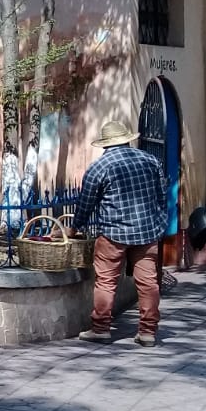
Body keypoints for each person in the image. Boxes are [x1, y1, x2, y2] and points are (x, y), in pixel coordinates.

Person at [70, 120, 167, 346]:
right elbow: (162, 196)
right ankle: (148, 332)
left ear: (105, 144)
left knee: (106, 282)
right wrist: (159, 224)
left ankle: (101, 329)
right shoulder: (150, 160)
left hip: (113, 234)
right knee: (148, 283)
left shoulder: (99, 167)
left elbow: (86, 203)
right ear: (127, 140)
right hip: (147, 232)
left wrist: (75, 227)